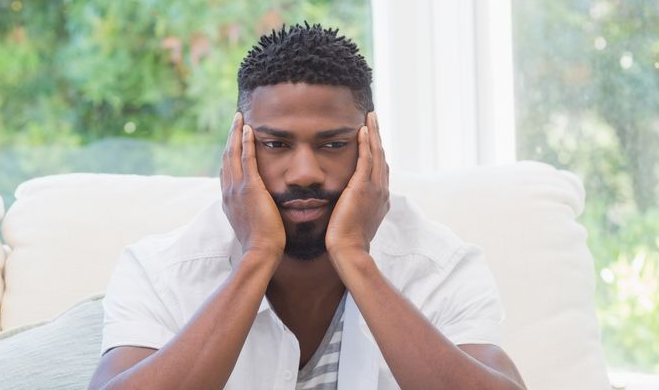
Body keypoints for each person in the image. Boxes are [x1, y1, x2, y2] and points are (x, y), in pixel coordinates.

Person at [89, 23, 525, 390]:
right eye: (275, 144)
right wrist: (257, 255)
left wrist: (356, 258)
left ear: (370, 145)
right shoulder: (160, 270)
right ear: (237, 149)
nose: (304, 173)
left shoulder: (440, 265)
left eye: (332, 144)